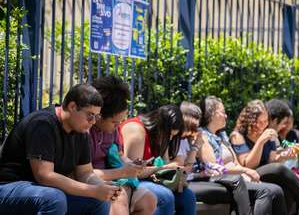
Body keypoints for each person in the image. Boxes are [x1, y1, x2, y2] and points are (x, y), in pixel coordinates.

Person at [0, 84, 121, 215]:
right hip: (9, 188)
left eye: (96, 116)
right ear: (72, 107)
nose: (93, 121)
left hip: (42, 192)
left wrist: (103, 188)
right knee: (54, 198)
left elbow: (85, 173)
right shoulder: (43, 124)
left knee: (99, 200)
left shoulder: (81, 131)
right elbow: (44, 176)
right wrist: (93, 190)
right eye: (90, 115)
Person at [230, 99, 299, 214]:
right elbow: (249, 164)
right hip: (251, 173)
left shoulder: (268, 133)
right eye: (260, 122)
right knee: (279, 168)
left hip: (270, 173)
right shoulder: (238, 136)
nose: (263, 125)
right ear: (250, 121)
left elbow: (272, 158)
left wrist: (286, 155)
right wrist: (261, 141)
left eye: (265, 121)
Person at [90, 76, 157, 215]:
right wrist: (123, 172)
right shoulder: (85, 130)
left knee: (148, 200)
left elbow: (120, 155)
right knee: (119, 197)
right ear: (98, 115)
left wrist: (132, 165)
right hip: (94, 180)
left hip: (114, 178)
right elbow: (83, 173)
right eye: (114, 123)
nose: (117, 128)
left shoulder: (112, 131)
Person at [119, 105, 196, 215]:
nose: (170, 139)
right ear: (160, 125)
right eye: (169, 135)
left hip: (149, 179)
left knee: (187, 196)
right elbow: (132, 173)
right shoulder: (137, 130)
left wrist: (176, 177)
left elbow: (165, 164)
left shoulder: (161, 134)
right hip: (129, 180)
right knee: (165, 196)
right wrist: (164, 167)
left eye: (173, 136)